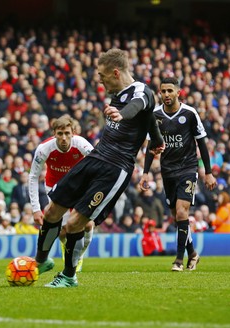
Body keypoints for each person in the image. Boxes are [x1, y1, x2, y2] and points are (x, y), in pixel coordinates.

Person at [36, 49, 165, 287]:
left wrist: (121, 114)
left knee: (76, 222)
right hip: (95, 157)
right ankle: (41, 261)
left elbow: (138, 106)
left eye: (102, 75)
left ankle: (68, 276)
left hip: (115, 169)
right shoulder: (117, 94)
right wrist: (157, 141)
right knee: (52, 211)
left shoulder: (141, 92)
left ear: (115, 72)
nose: (100, 80)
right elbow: (149, 119)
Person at [140, 77, 217, 271]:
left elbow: (202, 143)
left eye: (169, 91)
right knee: (177, 217)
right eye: (163, 91)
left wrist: (208, 173)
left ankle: (178, 260)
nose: (166, 94)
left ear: (178, 92)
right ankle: (193, 253)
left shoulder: (190, 114)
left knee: (182, 211)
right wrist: (146, 172)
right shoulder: (155, 115)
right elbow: (151, 145)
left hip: (188, 168)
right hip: (167, 171)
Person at [28, 115, 94, 272]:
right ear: (54, 134)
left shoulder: (82, 145)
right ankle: (68, 249)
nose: (63, 138)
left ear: (73, 132)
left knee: (88, 225)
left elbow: (97, 165)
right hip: (55, 188)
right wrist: (36, 209)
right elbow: (32, 177)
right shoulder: (44, 149)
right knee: (63, 231)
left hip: (79, 187)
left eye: (67, 133)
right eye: (60, 134)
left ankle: (78, 255)